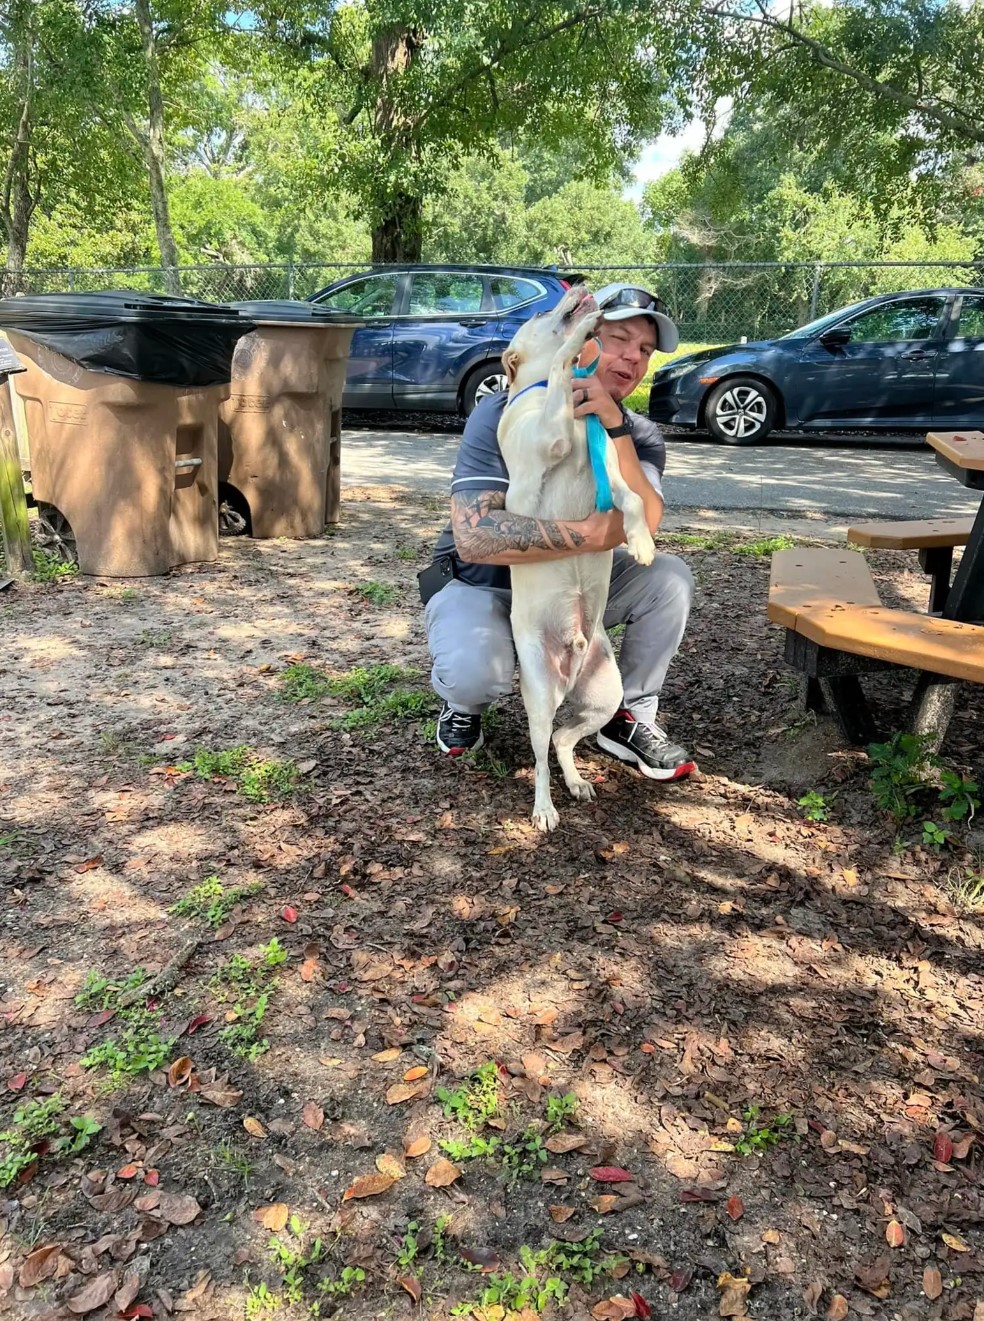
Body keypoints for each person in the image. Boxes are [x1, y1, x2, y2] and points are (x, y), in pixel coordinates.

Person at [421, 282, 696, 781]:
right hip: (481, 581)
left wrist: (614, 426)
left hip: (569, 585)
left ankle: (626, 714)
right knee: (475, 672)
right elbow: (477, 535)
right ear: (581, 337)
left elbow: (646, 525)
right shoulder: (507, 411)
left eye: (645, 351)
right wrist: (594, 532)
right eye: (619, 339)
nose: (632, 359)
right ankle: (463, 703)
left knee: (668, 580)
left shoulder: (640, 433)